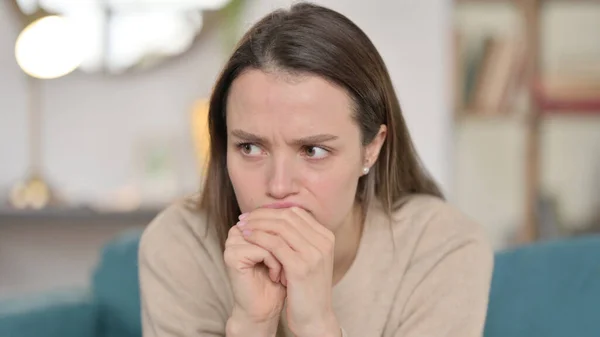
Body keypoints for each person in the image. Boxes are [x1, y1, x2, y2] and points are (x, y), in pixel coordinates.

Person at [138, 2, 494, 337]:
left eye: (313, 150)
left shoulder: (441, 248)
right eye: (250, 147)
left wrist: (317, 325)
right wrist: (252, 323)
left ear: (371, 148)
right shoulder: (179, 246)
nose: (278, 186)